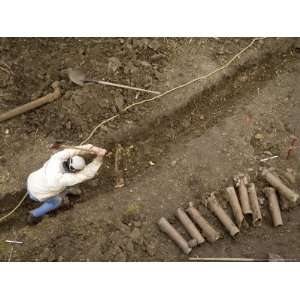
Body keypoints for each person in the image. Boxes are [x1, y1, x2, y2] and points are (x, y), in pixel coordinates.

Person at [26, 144, 107, 224]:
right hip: (36, 194)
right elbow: (86, 174)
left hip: (32, 180)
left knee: (63, 186)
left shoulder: (57, 158)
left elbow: (72, 150)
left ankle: (67, 190)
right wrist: (99, 159)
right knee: (56, 201)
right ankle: (35, 214)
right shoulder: (64, 179)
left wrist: (92, 148)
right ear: (74, 171)